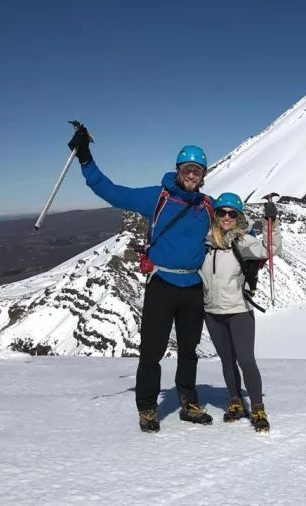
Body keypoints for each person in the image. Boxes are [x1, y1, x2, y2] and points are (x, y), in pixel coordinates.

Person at [68, 125, 215, 433]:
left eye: (197, 170)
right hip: (162, 285)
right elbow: (112, 192)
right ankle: (148, 408)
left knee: (189, 351)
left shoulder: (207, 206)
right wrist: (85, 158)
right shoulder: (156, 199)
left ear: (203, 175)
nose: (192, 174)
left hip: (192, 286)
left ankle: (188, 403)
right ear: (177, 171)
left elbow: (232, 230)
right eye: (187, 169)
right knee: (152, 350)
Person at [200, 192, 281, 433]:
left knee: (245, 359)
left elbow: (271, 249)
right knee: (226, 360)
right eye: (222, 212)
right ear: (215, 215)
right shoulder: (203, 241)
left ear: (239, 217)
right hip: (212, 310)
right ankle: (235, 401)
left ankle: (257, 407)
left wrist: (273, 224)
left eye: (232, 213)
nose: (227, 217)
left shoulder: (245, 241)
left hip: (239, 309)